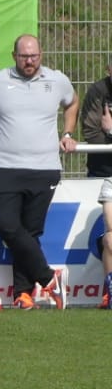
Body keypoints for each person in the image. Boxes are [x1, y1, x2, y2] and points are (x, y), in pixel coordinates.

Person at [0, 34, 78, 309]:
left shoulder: (56, 80)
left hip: (44, 169)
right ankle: (49, 278)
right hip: (5, 168)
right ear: (14, 56)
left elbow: (72, 102)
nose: (29, 61)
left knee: (30, 233)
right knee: (7, 226)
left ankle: (23, 294)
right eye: (24, 56)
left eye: (33, 55)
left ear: (41, 54)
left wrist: (68, 132)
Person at [75, 57, 112, 307]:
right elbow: (90, 133)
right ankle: (109, 291)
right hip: (104, 172)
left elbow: (105, 132)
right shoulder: (98, 91)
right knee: (109, 237)